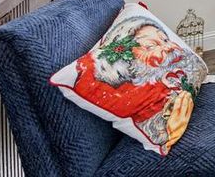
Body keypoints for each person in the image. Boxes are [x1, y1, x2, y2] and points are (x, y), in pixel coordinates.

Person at [70, 15, 207, 153]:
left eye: (165, 39)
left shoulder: (170, 77)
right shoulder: (129, 97)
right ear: (125, 61)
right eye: (151, 46)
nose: (169, 47)